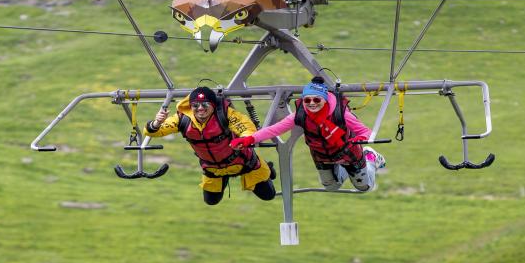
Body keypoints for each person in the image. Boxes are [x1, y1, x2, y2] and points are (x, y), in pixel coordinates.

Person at [231, 76, 385, 192]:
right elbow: (275, 129)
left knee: (364, 186)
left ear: (324, 100)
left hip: (347, 150)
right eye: (307, 100)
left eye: (316, 99)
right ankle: (343, 168)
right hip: (322, 154)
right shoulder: (301, 114)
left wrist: (361, 139)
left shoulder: (340, 113)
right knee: (331, 186)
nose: (312, 103)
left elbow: (366, 131)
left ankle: (370, 156)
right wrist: (250, 139)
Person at [144, 86, 276, 205]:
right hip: (213, 169)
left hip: (243, 162)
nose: (200, 108)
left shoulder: (225, 114)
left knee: (268, 195)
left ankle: (267, 169)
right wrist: (156, 123)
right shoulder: (182, 119)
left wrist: (244, 139)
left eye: (205, 104)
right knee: (211, 201)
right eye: (196, 105)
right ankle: (223, 179)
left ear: (213, 105)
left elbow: (245, 127)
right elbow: (153, 131)